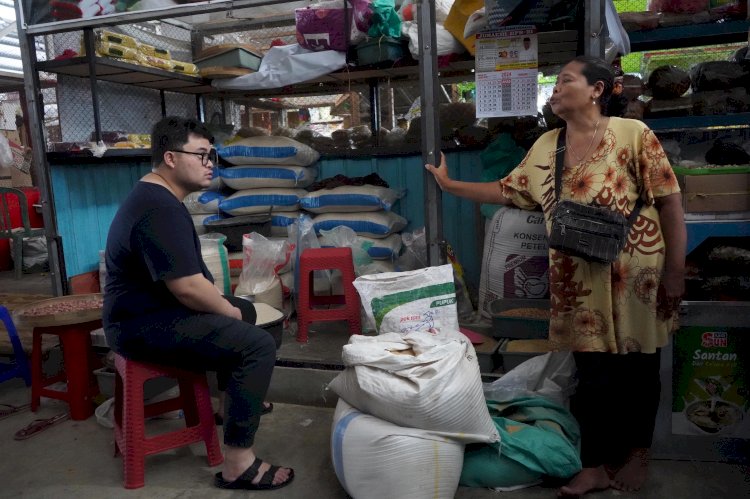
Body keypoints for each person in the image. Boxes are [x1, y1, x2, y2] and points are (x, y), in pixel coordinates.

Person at [425, 56, 686, 496]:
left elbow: (670, 204)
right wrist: (452, 186)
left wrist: (675, 273)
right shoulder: (549, 144)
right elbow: (508, 190)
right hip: (578, 281)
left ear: (596, 91)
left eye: (566, 80)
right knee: (592, 375)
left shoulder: (633, 135)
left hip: (637, 275)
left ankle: (638, 453)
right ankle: (596, 464)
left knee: (638, 372)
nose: (556, 87)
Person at [102, 116, 294, 491]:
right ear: (171, 157)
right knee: (253, 342)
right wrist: (230, 312)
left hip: (153, 311)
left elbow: (187, 283)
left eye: (212, 156)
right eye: (202, 155)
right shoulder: (159, 208)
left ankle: (231, 404)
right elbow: (189, 288)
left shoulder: (156, 196)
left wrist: (233, 308)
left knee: (256, 315)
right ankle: (240, 463)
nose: (210, 164)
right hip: (141, 324)